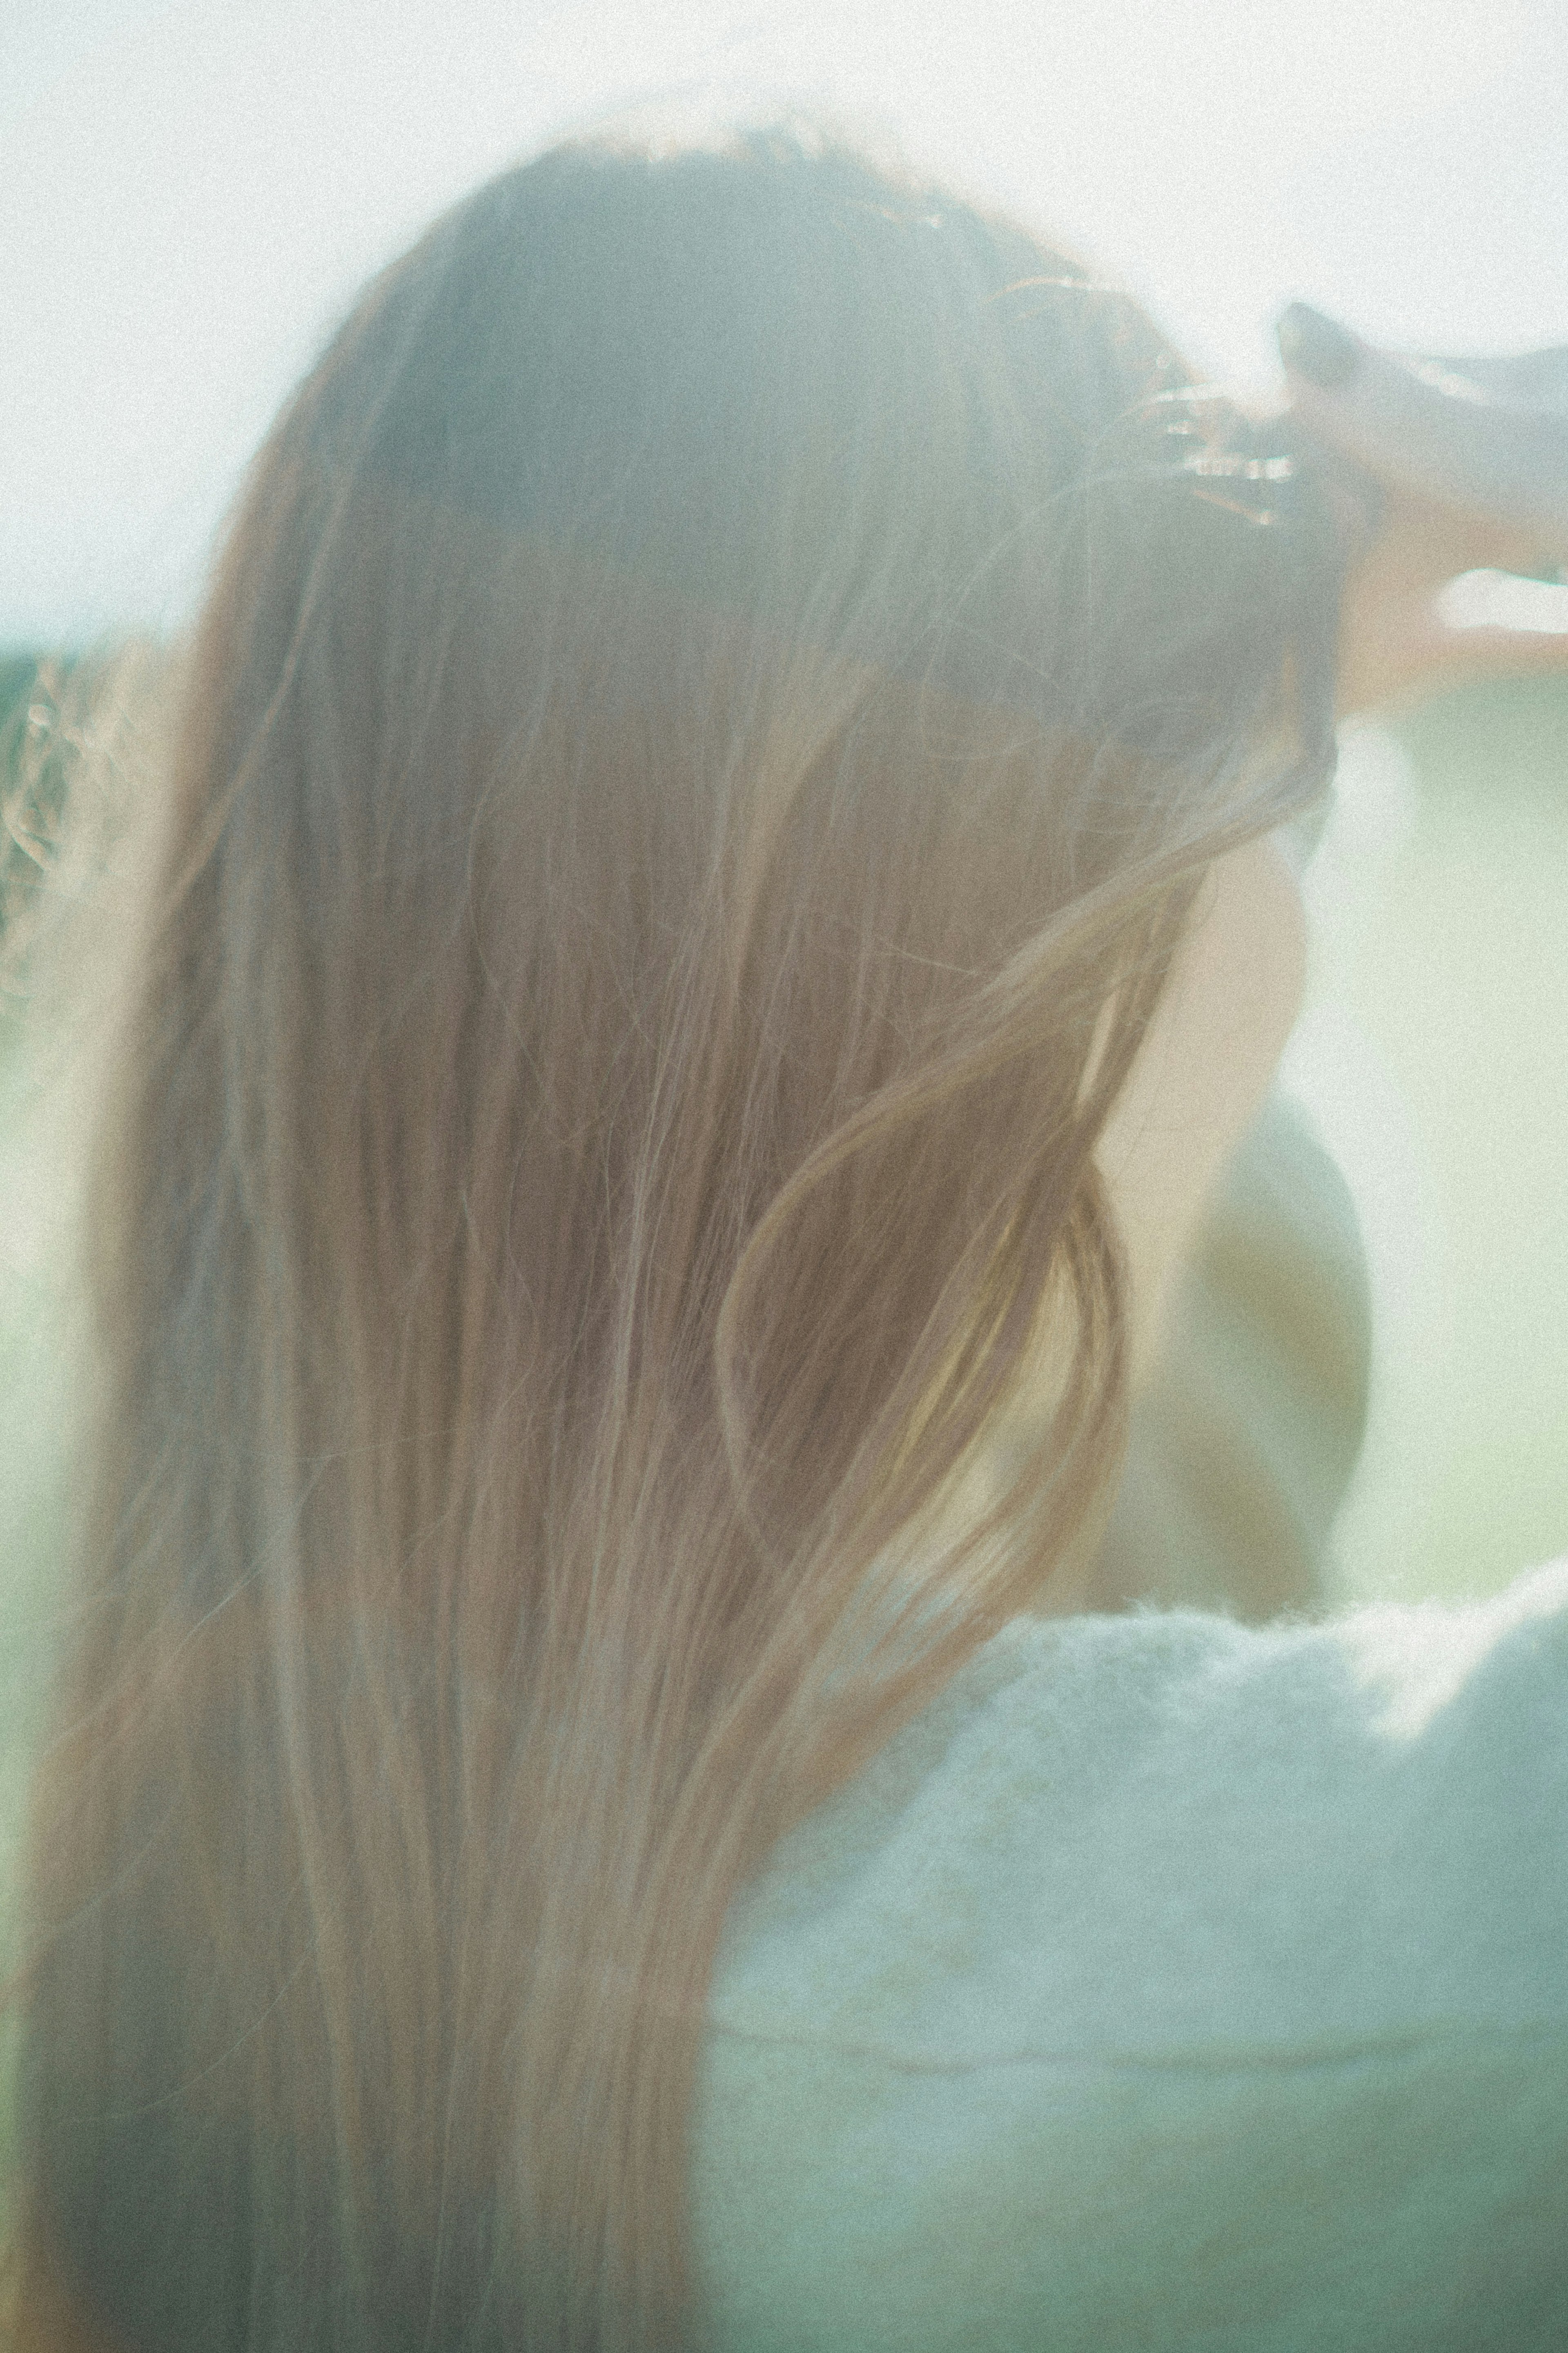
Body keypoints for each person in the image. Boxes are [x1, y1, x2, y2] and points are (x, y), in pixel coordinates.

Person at [4, 132, 1568, 2352]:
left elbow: (1185, 1239)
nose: (1286, 879)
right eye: (1254, 797)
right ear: (1009, 901)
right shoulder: (1078, 1990)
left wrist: (1219, 716)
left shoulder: (265, 1883)